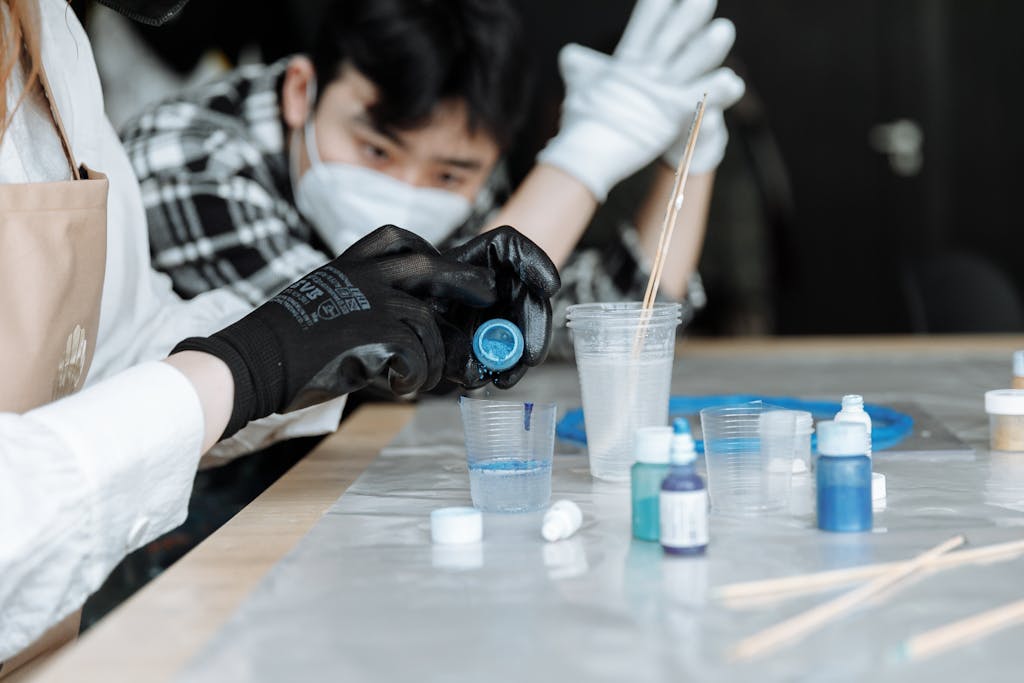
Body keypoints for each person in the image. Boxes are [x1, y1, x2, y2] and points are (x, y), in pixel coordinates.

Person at [0, 0, 558, 669]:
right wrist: (247, 363)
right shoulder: (194, 151)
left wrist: (322, 331)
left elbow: (119, 349)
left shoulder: (52, 44)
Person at [122, 0, 743, 356]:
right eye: (377, 151)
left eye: (450, 172)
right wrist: (585, 156)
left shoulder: (474, 168)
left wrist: (687, 156)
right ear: (301, 90)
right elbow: (387, 347)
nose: (409, 187)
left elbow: (605, 322)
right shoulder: (187, 163)